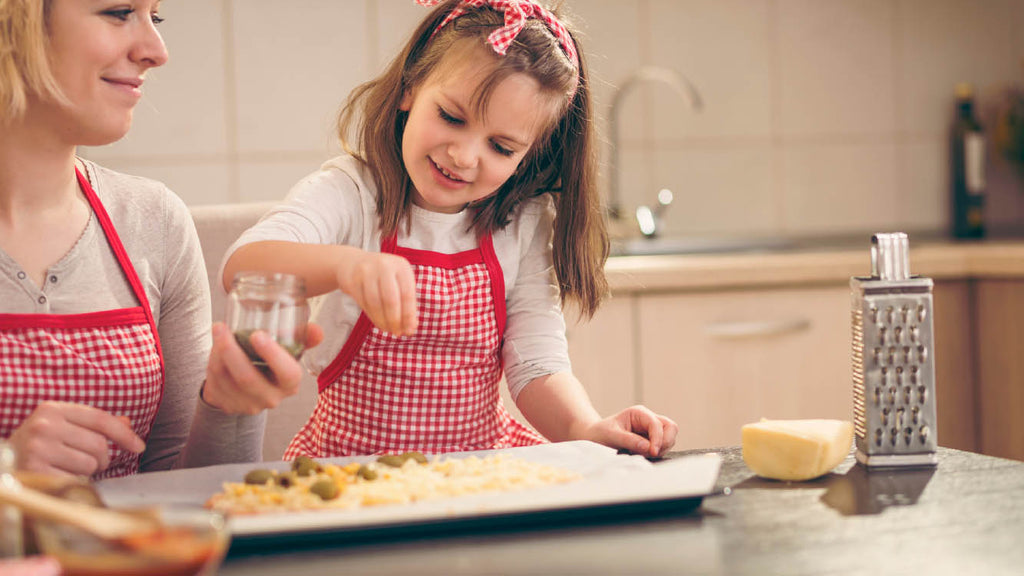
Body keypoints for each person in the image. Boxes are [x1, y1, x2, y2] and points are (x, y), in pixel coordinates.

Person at [223, 0, 678, 458]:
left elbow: (537, 365)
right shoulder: (352, 194)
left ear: (529, 155)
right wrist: (346, 266)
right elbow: (243, 266)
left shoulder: (524, 221)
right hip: (350, 474)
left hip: (477, 475)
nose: (464, 156)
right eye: (451, 118)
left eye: (500, 147)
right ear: (411, 88)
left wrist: (587, 427)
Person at [0, 0, 320, 479]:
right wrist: (7, 470)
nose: (157, 50)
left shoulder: (155, 221)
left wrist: (228, 405)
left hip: (136, 555)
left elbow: (182, 488)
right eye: (119, 11)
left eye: (156, 17)